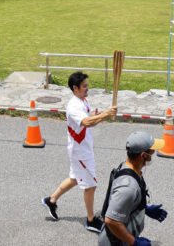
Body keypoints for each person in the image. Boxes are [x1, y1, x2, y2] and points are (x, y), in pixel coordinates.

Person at [42, 71, 117, 232]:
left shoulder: (83, 101)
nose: (87, 89)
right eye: (84, 87)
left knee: (74, 178)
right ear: (75, 88)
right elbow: (86, 122)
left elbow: (89, 119)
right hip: (80, 152)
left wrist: (97, 115)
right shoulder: (74, 106)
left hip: (82, 148)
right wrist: (104, 115)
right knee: (90, 186)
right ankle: (90, 220)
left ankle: (51, 200)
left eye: (87, 86)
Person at [98, 132, 168, 246]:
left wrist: (143, 208)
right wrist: (134, 242)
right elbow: (111, 221)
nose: (154, 153)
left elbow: (124, 203)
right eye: (152, 151)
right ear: (143, 155)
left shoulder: (129, 168)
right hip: (116, 242)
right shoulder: (128, 187)